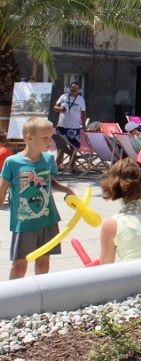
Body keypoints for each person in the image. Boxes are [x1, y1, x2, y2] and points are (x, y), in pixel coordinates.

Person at [0, 117, 76, 279]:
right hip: (24, 223)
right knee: (19, 265)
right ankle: (14, 298)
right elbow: (1, 192)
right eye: (45, 137)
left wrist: (66, 190)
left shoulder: (48, 159)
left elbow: (51, 182)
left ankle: (40, 296)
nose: (50, 141)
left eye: (51, 136)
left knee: (43, 262)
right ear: (29, 137)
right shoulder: (12, 162)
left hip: (48, 219)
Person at [53, 81, 87, 149]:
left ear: (79, 90)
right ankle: (59, 160)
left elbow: (84, 113)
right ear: (70, 88)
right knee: (61, 148)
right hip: (62, 127)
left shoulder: (81, 99)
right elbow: (55, 108)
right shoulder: (64, 96)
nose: (74, 89)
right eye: (73, 87)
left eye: (76, 88)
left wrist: (84, 126)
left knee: (74, 149)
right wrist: (61, 109)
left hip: (74, 128)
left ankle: (72, 159)